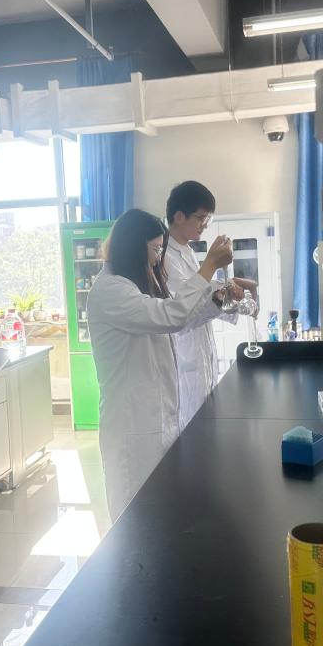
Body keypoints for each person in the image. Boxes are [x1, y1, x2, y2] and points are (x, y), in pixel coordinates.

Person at [87, 209, 233, 520]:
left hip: (158, 417)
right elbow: (172, 316)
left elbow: (182, 320)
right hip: (134, 425)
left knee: (159, 512)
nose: (157, 259)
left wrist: (219, 299)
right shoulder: (111, 291)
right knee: (135, 516)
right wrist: (208, 266)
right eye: (154, 250)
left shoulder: (135, 285)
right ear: (132, 247)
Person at [163, 181, 256, 430]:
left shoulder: (187, 251)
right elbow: (181, 315)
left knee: (205, 429)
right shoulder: (165, 257)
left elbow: (202, 298)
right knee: (192, 434)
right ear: (179, 216)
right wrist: (213, 269)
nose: (205, 224)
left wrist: (230, 295)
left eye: (208, 218)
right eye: (201, 217)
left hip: (201, 358)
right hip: (185, 361)